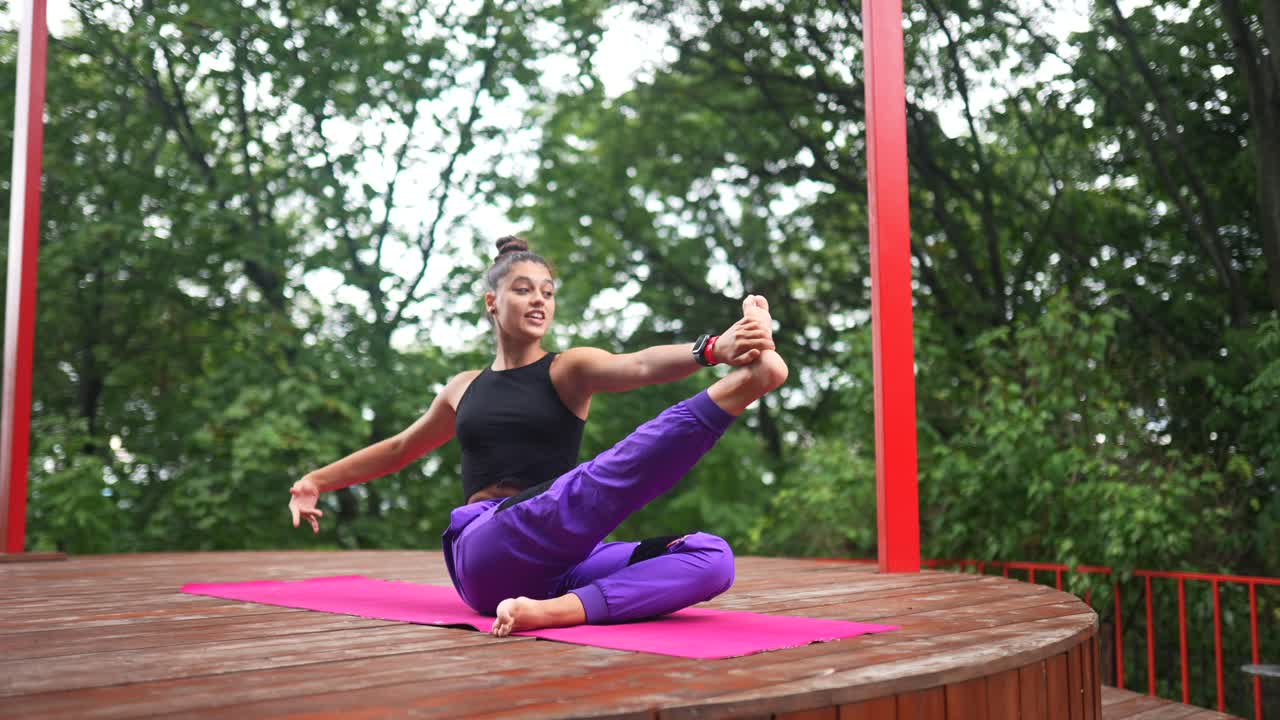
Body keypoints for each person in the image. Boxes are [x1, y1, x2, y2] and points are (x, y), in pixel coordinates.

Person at [288, 236, 787, 636]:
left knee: (711, 557)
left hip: (565, 566)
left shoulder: (568, 368)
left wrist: (712, 349)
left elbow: (638, 364)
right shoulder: (463, 387)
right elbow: (400, 448)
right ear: (492, 302)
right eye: (524, 290)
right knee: (595, 481)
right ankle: (743, 387)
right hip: (487, 547)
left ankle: (557, 611)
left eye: (547, 292)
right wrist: (316, 481)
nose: (539, 301)